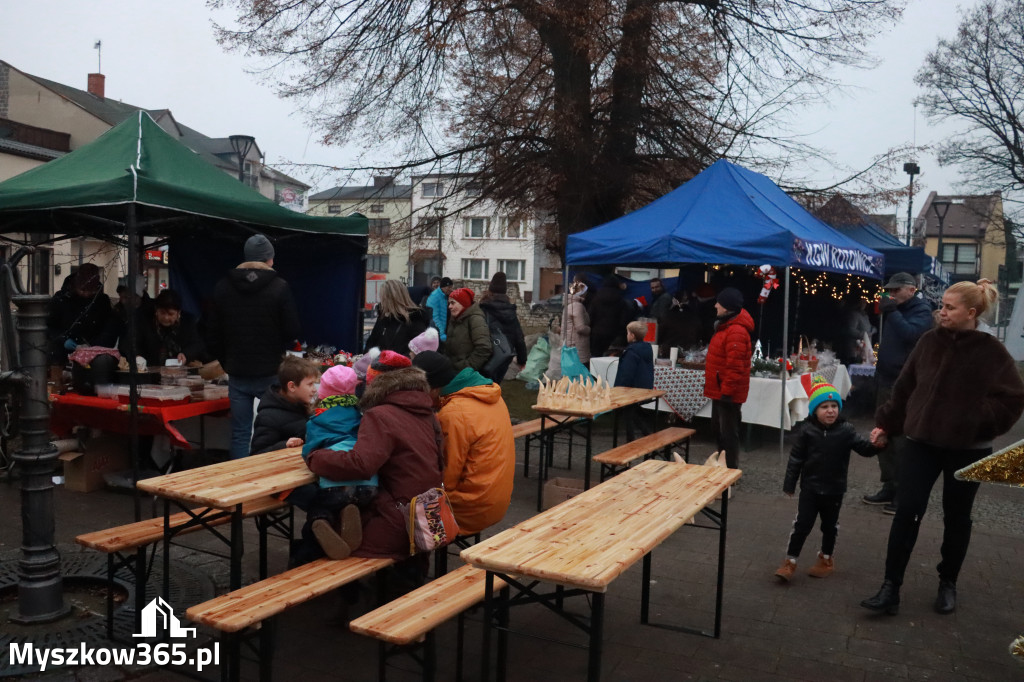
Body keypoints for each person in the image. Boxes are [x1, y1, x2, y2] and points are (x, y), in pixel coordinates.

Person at [861, 279, 1024, 616]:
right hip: (922, 442)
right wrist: (886, 425)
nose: (942, 311)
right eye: (943, 305)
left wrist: (976, 419)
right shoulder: (928, 342)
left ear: (971, 312)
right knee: (907, 512)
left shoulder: (991, 352)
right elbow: (904, 388)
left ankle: (948, 581)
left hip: (969, 449)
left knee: (957, 517)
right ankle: (891, 586)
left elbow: (1012, 399)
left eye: (950, 307)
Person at [305, 363, 444, 562]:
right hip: (431, 518)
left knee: (319, 533)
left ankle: (341, 592)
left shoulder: (380, 415)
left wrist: (316, 457)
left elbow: (361, 464)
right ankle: (408, 582)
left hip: (397, 521)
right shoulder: (428, 414)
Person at [207, 234, 301, 459]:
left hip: (237, 371)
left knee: (240, 432)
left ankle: (240, 487)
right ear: (269, 260)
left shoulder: (223, 287)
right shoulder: (279, 287)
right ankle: (268, 482)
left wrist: (226, 361)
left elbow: (211, 333)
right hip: (270, 371)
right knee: (274, 430)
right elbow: (292, 331)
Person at [775, 379, 877, 581]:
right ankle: (790, 561)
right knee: (802, 524)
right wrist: (790, 484)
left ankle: (826, 559)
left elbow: (864, 449)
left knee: (830, 526)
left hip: (835, 489)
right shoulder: (807, 431)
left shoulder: (846, 430)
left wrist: (879, 444)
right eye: (824, 407)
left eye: (834, 406)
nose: (830, 411)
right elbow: (796, 459)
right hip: (810, 489)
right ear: (814, 410)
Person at [412, 351, 516, 535]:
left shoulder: (453, 414)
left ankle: (409, 557)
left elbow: (446, 479)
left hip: (470, 507)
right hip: (497, 499)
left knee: (404, 510)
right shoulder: (490, 395)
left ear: (433, 388)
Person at [862, 272, 933, 510]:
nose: (891, 295)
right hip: (886, 379)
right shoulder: (898, 310)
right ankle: (889, 484)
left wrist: (892, 312)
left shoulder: (921, 310)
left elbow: (911, 334)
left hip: (904, 384)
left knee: (902, 437)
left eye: (896, 290)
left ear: (911, 290)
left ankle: (903, 492)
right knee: (883, 432)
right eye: (889, 291)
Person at [293, 365, 379, 561]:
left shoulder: (318, 420)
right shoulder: (362, 416)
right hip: (369, 485)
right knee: (349, 503)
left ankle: (321, 521)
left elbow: (310, 453)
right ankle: (347, 518)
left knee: (319, 506)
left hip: (335, 486)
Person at [703, 287, 754, 469]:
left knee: (728, 434)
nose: (715, 305)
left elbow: (735, 367)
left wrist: (727, 393)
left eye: (719, 302)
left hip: (727, 394)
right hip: (721, 391)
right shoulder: (726, 327)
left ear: (727, 307)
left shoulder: (736, 332)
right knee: (719, 431)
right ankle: (723, 466)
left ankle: (730, 471)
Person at [250, 355, 319, 455]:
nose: (314, 389)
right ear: (292, 386)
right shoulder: (268, 417)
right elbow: (256, 454)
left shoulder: (303, 406)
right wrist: (284, 445)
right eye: (310, 384)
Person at [47, 263, 113, 367]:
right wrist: (63, 339)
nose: (86, 294)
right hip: (61, 356)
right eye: (82, 290)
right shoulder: (61, 299)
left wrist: (93, 345)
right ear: (76, 284)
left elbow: (108, 328)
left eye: (90, 291)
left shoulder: (101, 301)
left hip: (93, 357)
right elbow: (50, 326)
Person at [133, 289, 207, 367]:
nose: (166, 317)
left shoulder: (188, 322)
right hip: (150, 369)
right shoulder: (144, 321)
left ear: (178, 313)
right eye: (162, 313)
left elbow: (197, 344)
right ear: (156, 310)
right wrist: (138, 356)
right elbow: (134, 343)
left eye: (171, 314)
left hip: (179, 371)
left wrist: (185, 354)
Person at [479, 272, 527, 380]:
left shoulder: (483, 307)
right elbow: (519, 337)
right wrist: (522, 360)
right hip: (504, 354)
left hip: (487, 354)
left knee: (482, 387)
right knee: (495, 386)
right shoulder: (510, 311)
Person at [363, 280, 431, 356]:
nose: (381, 300)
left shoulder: (415, 319)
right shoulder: (383, 317)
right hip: (379, 365)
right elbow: (371, 344)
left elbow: (417, 354)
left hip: (400, 366)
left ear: (390, 299)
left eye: (383, 297)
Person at [614, 321, 655, 442]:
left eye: (627, 333)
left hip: (632, 388)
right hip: (643, 386)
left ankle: (631, 440)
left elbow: (627, 373)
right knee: (632, 413)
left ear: (632, 335)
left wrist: (618, 389)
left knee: (629, 414)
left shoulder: (631, 352)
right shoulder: (647, 348)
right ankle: (646, 435)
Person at [444, 287, 491, 372]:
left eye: (453, 303)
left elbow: (484, 348)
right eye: (449, 303)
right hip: (452, 371)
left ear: (463, 303)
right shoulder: (454, 319)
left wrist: (466, 368)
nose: (449, 306)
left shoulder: (476, 320)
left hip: (465, 374)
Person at [588, 275, 632, 357]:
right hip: (613, 335)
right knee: (610, 359)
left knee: (595, 357)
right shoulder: (621, 300)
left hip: (596, 334)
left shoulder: (596, 298)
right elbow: (624, 320)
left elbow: (590, 316)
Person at [656, 286, 702, 355]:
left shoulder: (668, 315)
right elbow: (699, 334)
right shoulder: (694, 316)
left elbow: (659, 335)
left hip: (669, 352)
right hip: (688, 353)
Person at [563, 282, 591, 364]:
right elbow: (580, 328)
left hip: (570, 344)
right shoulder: (577, 306)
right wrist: (589, 329)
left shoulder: (568, 304)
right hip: (576, 346)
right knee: (579, 374)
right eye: (585, 292)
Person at [426, 277, 454, 342]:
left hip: (445, 329)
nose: (450, 289)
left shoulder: (446, 295)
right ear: (443, 287)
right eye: (449, 287)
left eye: (451, 287)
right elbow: (435, 317)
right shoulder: (435, 296)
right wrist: (441, 334)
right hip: (436, 332)